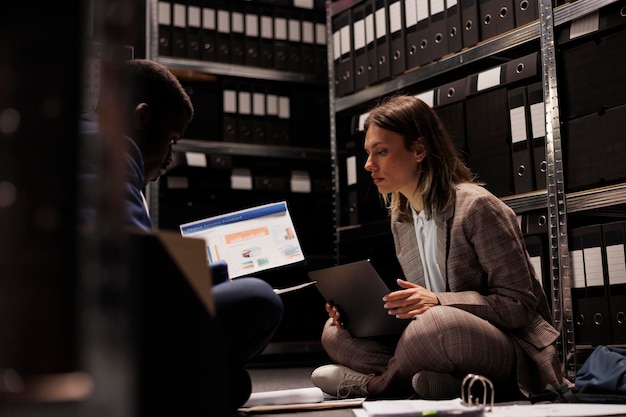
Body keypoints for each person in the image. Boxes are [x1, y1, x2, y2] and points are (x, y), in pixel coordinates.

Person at [311, 95, 565, 401]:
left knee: (437, 324)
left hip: (508, 347)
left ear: (418, 149)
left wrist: (437, 301)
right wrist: (361, 315)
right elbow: (422, 307)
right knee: (335, 332)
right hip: (438, 336)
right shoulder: (401, 219)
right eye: (368, 153)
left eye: (381, 152)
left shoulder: (477, 207)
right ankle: (441, 383)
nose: (368, 165)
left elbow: (520, 308)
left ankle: (376, 386)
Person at [78, 59, 284, 411]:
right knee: (259, 298)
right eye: (171, 139)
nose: (171, 157)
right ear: (141, 117)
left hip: (90, 328)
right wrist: (215, 272)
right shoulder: (114, 150)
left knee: (230, 383)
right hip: (102, 333)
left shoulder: (85, 137)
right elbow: (139, 271)